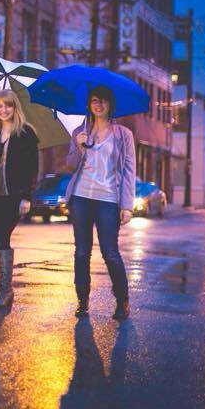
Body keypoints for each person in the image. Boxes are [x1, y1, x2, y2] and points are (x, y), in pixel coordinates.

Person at [65, 85, 135, 320]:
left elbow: (128, 170)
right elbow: (69, 164)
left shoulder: (123, 135)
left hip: (108, 199)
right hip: (81, 197)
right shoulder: (79, 131)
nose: (99, 104)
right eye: (95, 100)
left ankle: (122, 300)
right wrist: (78, 146)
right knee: (81, 252)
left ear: (110, 104)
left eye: (104, 100)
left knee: (110, 252)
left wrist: (126, 205)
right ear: (89, 104)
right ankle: (82, 302)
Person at [0, 90, 39, 310]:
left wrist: (26, 197)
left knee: (4, 236)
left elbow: (33, 168)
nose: (3, 110)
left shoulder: (26, 133)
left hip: (13, 195)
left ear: (15, 108)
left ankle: (5, 290)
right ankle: (6, 290)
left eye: (8, 106)